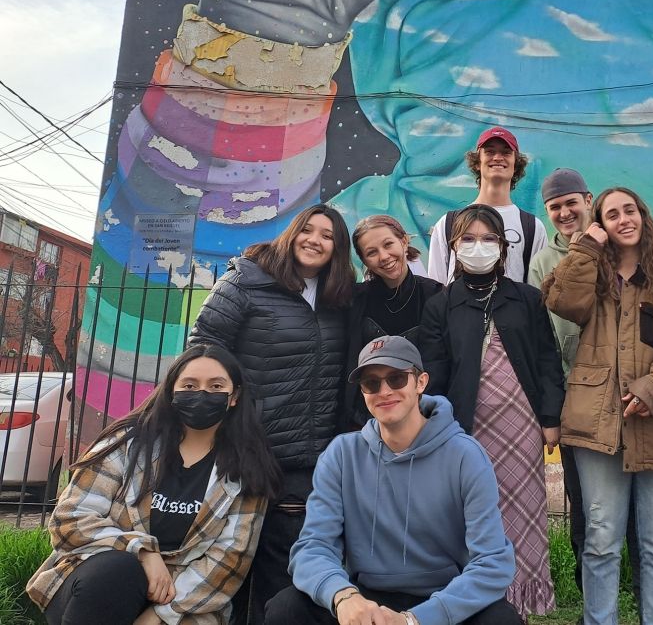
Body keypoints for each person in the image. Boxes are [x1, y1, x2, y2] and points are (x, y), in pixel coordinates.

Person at [263, 335, 522, 625]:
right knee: (287, 607)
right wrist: (344, 597)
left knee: (501, 619)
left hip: (444, 599)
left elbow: (492, 563)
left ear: (420, 382)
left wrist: (415, 620)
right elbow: (312, 546)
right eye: (371, 383)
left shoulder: (466, 456)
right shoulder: (341, 454)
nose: (384, 391)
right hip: (366, 600)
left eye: (396, 379)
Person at [27, 344, 281, 625]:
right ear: (172, 391)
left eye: (216, 385)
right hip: (100, 583)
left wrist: (160, 614)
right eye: (190, 384)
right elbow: (69, 520)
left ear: (234, 397)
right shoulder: (127, 444)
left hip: (186, 601)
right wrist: (143, 550)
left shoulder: (247, 470)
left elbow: (229, 560)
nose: (202, 393)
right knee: (118, 570)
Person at [188, 203, 355, 623]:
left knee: (282, 567)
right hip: (247, 446)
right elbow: (204, 346)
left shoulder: (338, 297)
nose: (315, 240)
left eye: (328, 235)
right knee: (225, 556)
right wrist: (225, 411)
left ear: (338, 249)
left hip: (304, 457)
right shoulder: (247, 279)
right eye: (308, 230)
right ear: (292, 233)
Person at [542, 186, 653, 625]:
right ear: (601, 225)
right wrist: (588, 244)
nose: (624, 219)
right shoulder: (591, 279)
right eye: (612, 214)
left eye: (631, 210)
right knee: (601, 540)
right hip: (596, 426)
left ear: (644, 218)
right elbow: (562, 301)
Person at [420, 203, 563, 618]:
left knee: (523, 508)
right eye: (468, 239)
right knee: (473, 511)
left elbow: (547, 359)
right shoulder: (441, 305)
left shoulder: (526, 298)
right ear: (453, 246)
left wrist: (550, 418)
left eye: (488, 239)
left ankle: (523, 598)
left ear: (502, 247)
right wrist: (439, 429)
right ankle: (475, 599)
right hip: (466, 428)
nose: (478, 247)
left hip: (522, 425)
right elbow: (434, 374)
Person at [345, 214, 443, 430]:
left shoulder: (436, 296)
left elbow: (441, 364)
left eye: (388, 244)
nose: (384, 256)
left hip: (421, 421)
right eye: (371, 252)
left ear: (404, 241)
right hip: (365, 422)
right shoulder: (355, 301)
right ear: (364, 260)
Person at [426, 127, 547, 285]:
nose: (497, 157)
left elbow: (535, 292)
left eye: (506, 152)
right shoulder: (448, 223)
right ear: (477, 162)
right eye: (490, 152)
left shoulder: (532, 227)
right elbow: (437, 288)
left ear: (515, 164)